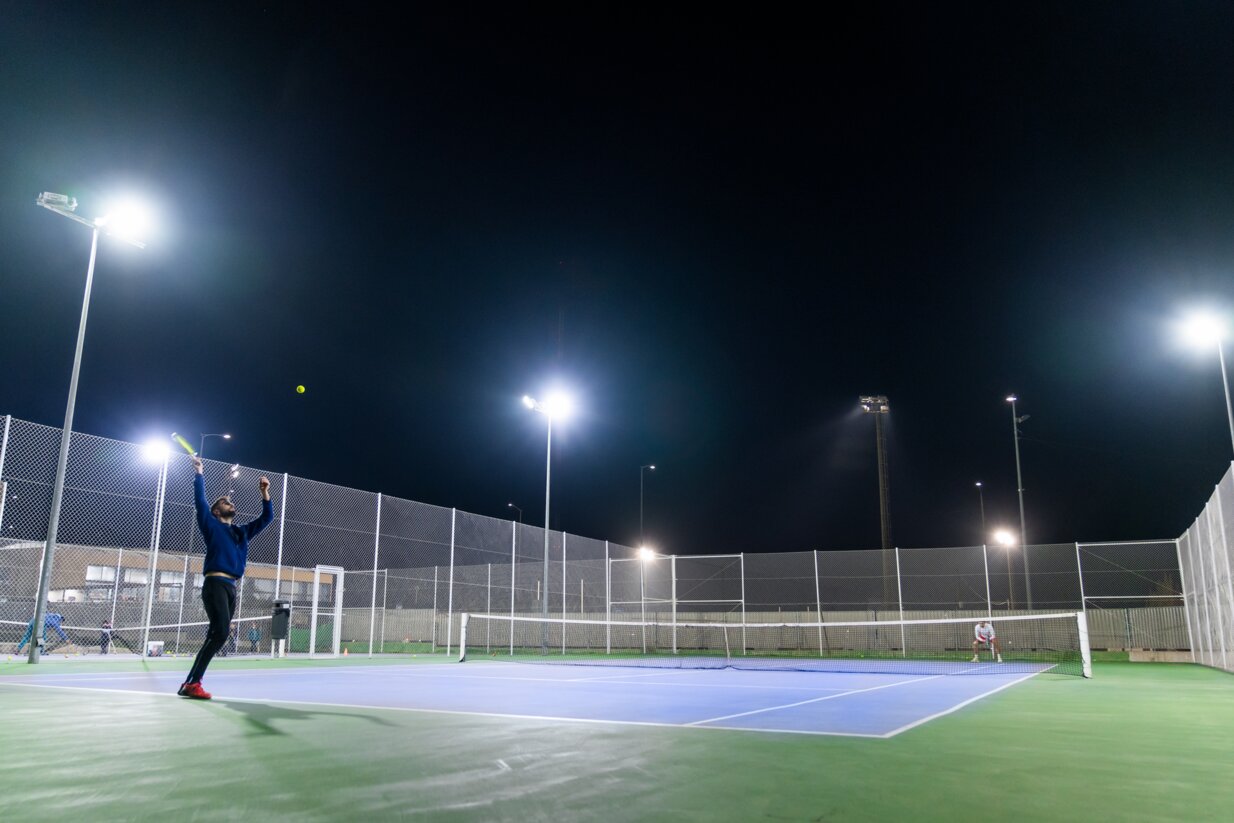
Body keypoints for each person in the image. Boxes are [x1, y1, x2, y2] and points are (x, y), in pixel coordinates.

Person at [178, 455, 273, 699]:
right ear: (216, 511)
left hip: (231, 587)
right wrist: (199, 473)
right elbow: (200, 501)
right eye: (224, 502)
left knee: (217, 635)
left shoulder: (241, 533)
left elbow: (267, 518)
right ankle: (193, 683)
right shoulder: (210, 525)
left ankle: (190, 683)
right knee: (220, 633)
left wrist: (264, 493)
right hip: (215, 584)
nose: (229, 503)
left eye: (230, 501)